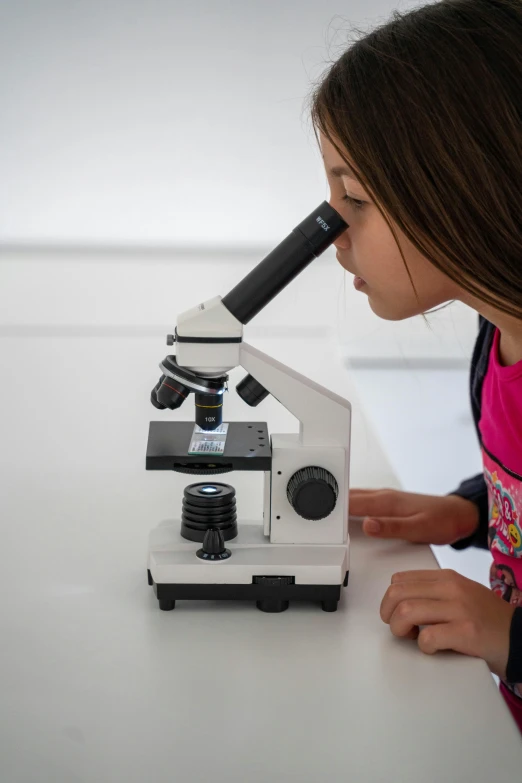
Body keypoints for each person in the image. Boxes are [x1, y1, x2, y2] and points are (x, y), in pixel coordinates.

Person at [309, 0, 522, 732]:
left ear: (460, 187)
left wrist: (509, 637)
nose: (332, 232)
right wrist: (472, 508)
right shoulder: (499, 341)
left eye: (355, 200)